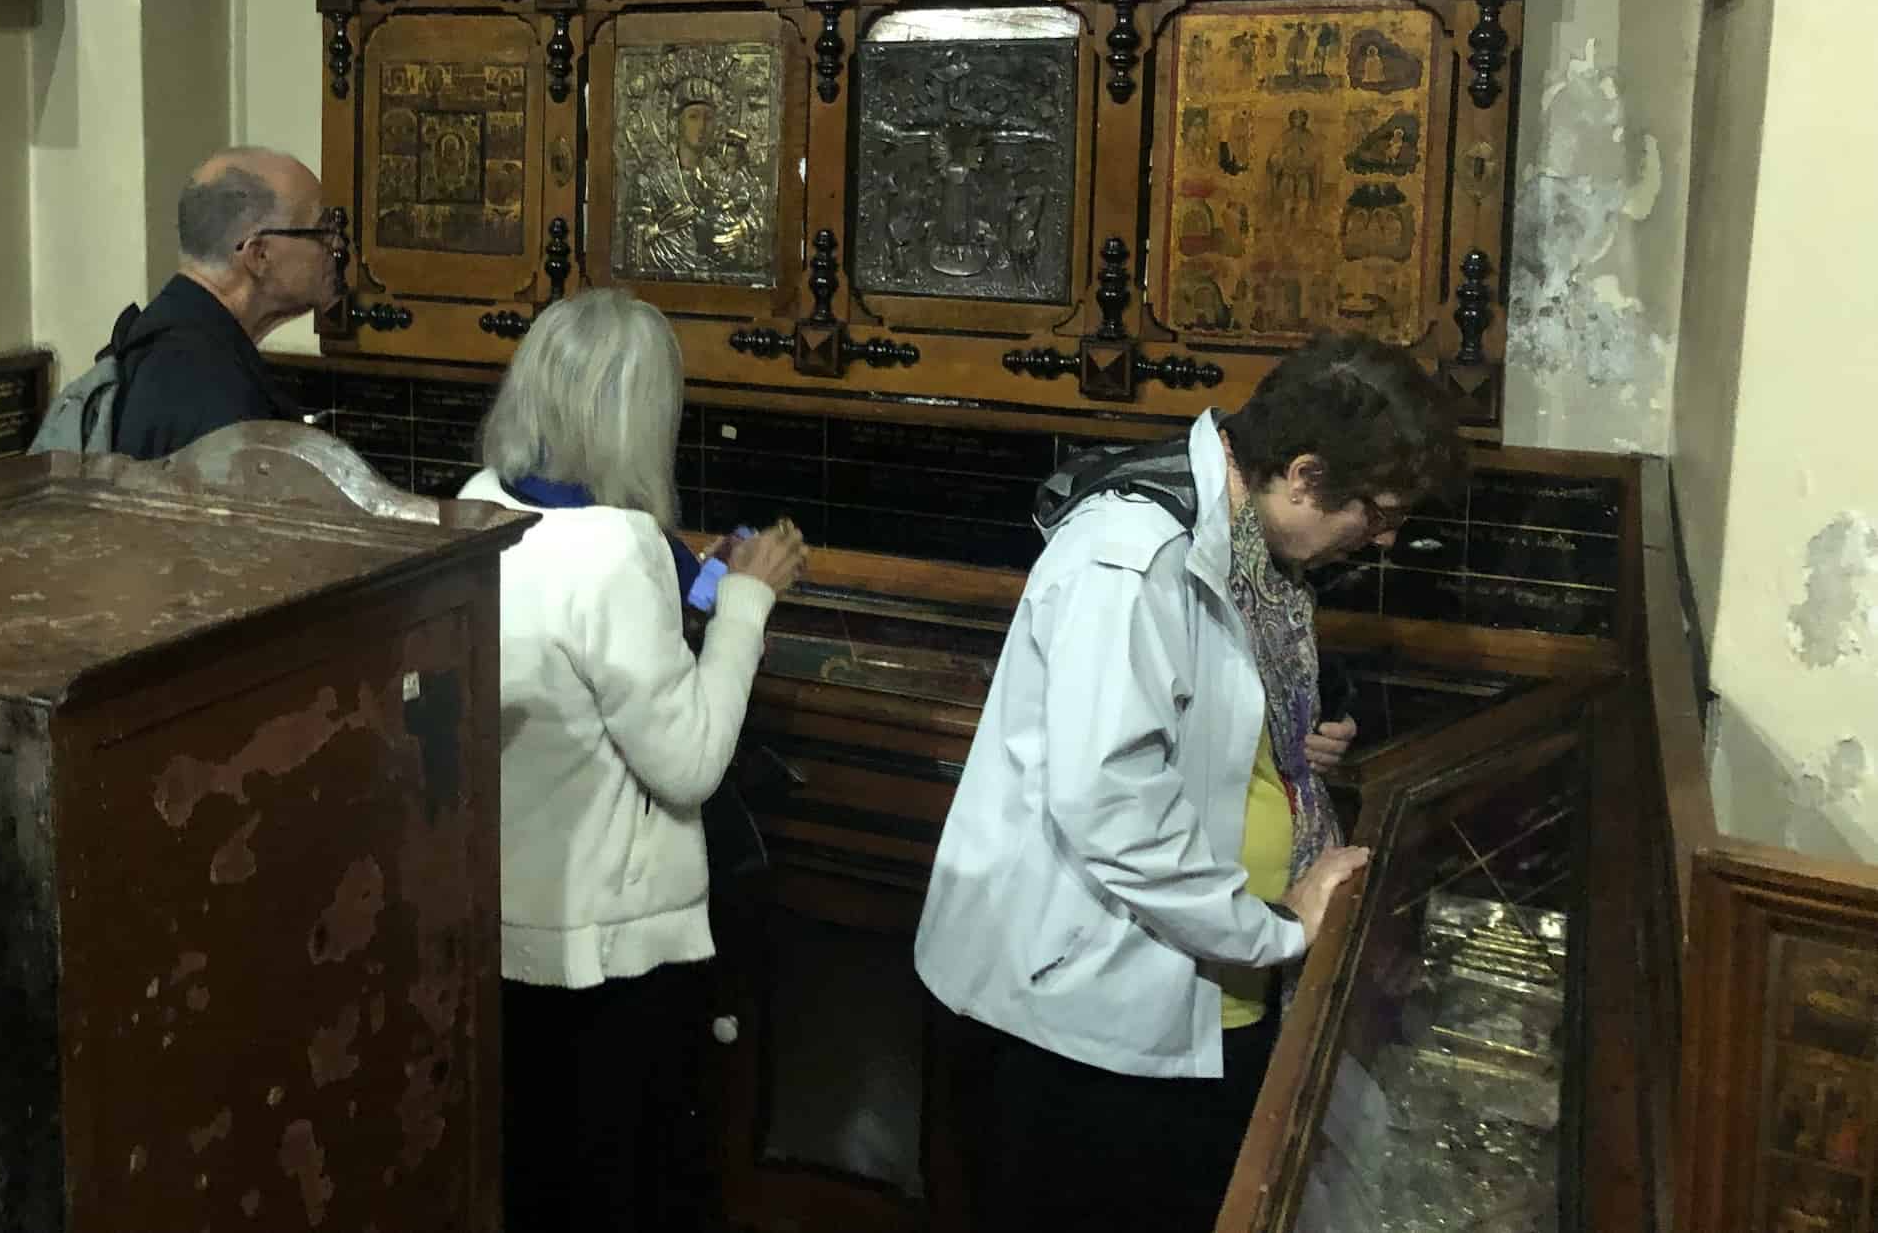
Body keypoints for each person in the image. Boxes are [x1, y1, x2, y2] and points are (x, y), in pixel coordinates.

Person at [916, 332, 1466, 1231]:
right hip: (1084, 1018)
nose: (1388, 536)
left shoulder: (1246, 539)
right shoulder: (1131, 557)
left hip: (1197, 988)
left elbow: (1203, 707)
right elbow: (1109, 808)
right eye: (1378, 510)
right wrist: (1276, 927)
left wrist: (1291, 740)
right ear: (1303, 473)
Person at [458, 289, 808, 1233]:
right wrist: (745, 601)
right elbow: (689, 760)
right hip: (612, 955)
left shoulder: (473, 509)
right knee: (632, 1190)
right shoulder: (612, 553)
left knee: (534, 1181)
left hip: (500, 935)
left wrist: (692, 570)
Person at [108, 148, 341, 458]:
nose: (337, 244)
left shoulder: (170, 341)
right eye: (323, 230)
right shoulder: (212, 397)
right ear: (260, 256)